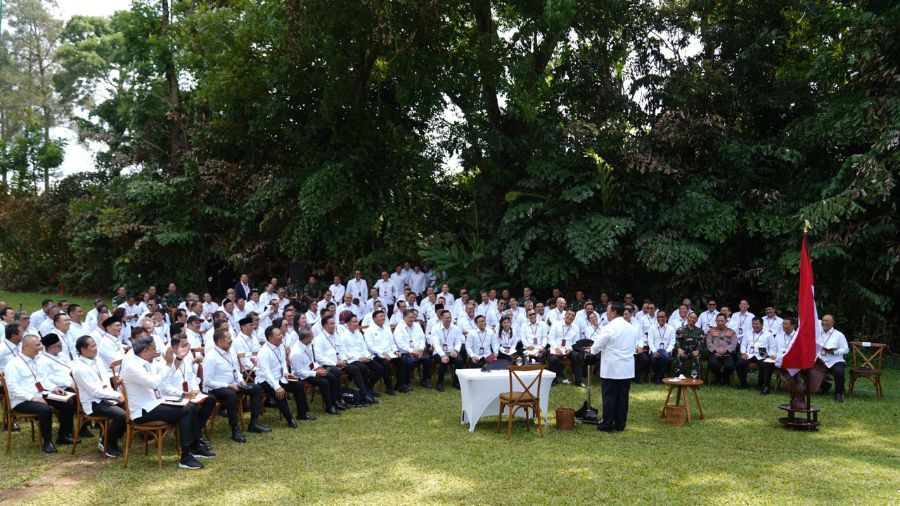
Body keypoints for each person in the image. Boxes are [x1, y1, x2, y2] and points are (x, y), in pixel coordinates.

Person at [121, 335, 212, 469]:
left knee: (191, 406)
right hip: (143, 411)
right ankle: (186, 456)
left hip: (155, 403)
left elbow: (168, 374)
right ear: (145, 351)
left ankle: (194, 446)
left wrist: (178, 359)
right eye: (153, 349)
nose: (156, 352)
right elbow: (154, 383)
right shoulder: (132, 367)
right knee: (186, 410)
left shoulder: (149, 362)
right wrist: (169, 363)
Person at [202, 328, 270, 442]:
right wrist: (228, 385)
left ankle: (254, 423)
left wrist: (241, 381)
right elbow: (207, 382)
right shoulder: (211, 357)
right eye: (228, 338)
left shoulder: (231, 351)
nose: (231, 340)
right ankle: (235, 429)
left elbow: (235, 370)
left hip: (234, 384)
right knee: (231, 395)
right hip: (216, 388)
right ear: (220, 341)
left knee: (256, 388)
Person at [71, 335, 126, 457]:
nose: (96, 348)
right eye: (93, 346)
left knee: (130, 409)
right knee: (122, 415)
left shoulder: (98, 360)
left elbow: (105, 379)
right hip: (93, 402)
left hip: (106, 397)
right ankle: (107, 442)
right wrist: (116, 395)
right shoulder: (79, 368)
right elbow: (94, 391)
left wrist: (109, 391)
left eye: (96, 345)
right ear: (83, 350)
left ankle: (109, 439)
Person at [590, 302, 634, 432]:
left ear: (614, 312)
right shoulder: (630, 327)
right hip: (626, 368)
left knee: (609, 397)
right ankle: (620, 424)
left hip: (612, 368)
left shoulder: (610, 327)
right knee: (623, 397)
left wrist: (591, 350)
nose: (607, 313)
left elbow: (597, 345)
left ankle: (608, 424)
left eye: (608, 311)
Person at [257, 325, 311, 426]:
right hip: (266, 380)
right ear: (270, 338)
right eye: (278, 335)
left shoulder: (280, 345)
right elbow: (266, 372)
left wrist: (286, 373)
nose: (282, 336)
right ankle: (290, 419)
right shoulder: (263, 352)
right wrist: (277, 387)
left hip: (280, 377)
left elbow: (283, 362)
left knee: (299, 385)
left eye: (281, 334)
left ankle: (302, 413)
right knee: (280, 393)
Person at [291, 327, 340, 415]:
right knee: (324, 382)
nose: (313, 338)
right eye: (311, 337)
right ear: (305, 338)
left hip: (311, 369)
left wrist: (319, 367)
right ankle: (329, 407)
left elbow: (311, 361)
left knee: (332, 376)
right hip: (302, 375)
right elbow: (298, 372)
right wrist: (315, 373)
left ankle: (335, 401)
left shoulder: (308, 344)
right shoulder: (296, 353)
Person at [391, 310, 432, 392]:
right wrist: (412, 351)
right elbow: (400, 344)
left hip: (419, 350)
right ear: (404, 318)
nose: (412, 319)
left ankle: (425, 380)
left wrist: (420, 349)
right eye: (409, 317)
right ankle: (406, 382)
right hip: (405, 352)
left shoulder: (417, 325)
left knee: (427, 359)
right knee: (409, 361)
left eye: (413, 317)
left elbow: (422, 339)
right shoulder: (399, 328)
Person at [811, 314, 849, 403]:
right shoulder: (817, 334)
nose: (824, 322)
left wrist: (834, 352)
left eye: (826, 321)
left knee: (839, 372)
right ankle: (824, 386)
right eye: (823, 320)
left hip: (834, 360)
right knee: (806, 368)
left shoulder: (839, 335)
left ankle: (838, 394)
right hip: (820, 360)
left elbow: (846, 349)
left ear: (832, 323)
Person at [429, 310, 464, 391]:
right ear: (441, 318)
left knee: (460, 360)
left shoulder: (456, 328)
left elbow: (459, 342)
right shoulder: (435, 328)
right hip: (439, 352)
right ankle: (440, 383)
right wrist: (443, 355)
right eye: (446, 318)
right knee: (444, 361)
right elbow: (436, 344)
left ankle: (456, 382)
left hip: (452, 351)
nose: (449, 319)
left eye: (450, 317)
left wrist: (455, 350)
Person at [547, 309, 582, 386]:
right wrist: (556, 348)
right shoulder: (556, 324)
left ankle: (578, 381)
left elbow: (575, 342)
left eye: (573, 315)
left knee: (577, 356)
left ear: (574, 318)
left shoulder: (576, 328)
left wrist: (570, 349)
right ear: (565, 315)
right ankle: (553, 381)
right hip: (556, 348)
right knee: (553, 359)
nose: (570, 316)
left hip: (567, 349)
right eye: (569, 314)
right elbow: (550, 338)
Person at [736, 317, 770, 392]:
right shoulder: (748, 333)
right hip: (749, 354)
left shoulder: (768, 334)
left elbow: (773, 347)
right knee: (740, 363)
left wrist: (769, 354)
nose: (754, 325)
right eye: (753, 324)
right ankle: (743, 384)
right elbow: (743, 344)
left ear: (762, 324)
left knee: (764, 365)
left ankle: (761, 385)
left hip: (762, 355)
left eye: (756, 324)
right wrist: (743, 352)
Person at [706, 314, 738, 385]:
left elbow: (733, 344)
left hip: (727, 353)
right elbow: (708, 343)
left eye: (722, 321)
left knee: (729, 366)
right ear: (716, 321)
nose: (720, 322)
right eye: (718, 321)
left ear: (726, 321)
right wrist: (716, 350)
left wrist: (725, 350)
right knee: (713, 364)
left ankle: (725, 378)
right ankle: (719, 377)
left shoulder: (731, 332)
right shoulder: (711, 331)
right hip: (715, 353)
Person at [650, 311, 676, 384]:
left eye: (663, 317)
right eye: (659, 317)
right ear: (657, 318)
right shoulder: (652, 328)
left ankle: (657, 377)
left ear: (666, 318)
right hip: (655, 350)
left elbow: (672, 342)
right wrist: (654, 351)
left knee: (666, 358)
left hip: (666, 350)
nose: (661, 318)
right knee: (656, 359)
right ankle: (660, 376)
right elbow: (650, 341)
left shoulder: (671, 328)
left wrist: (667, 351)